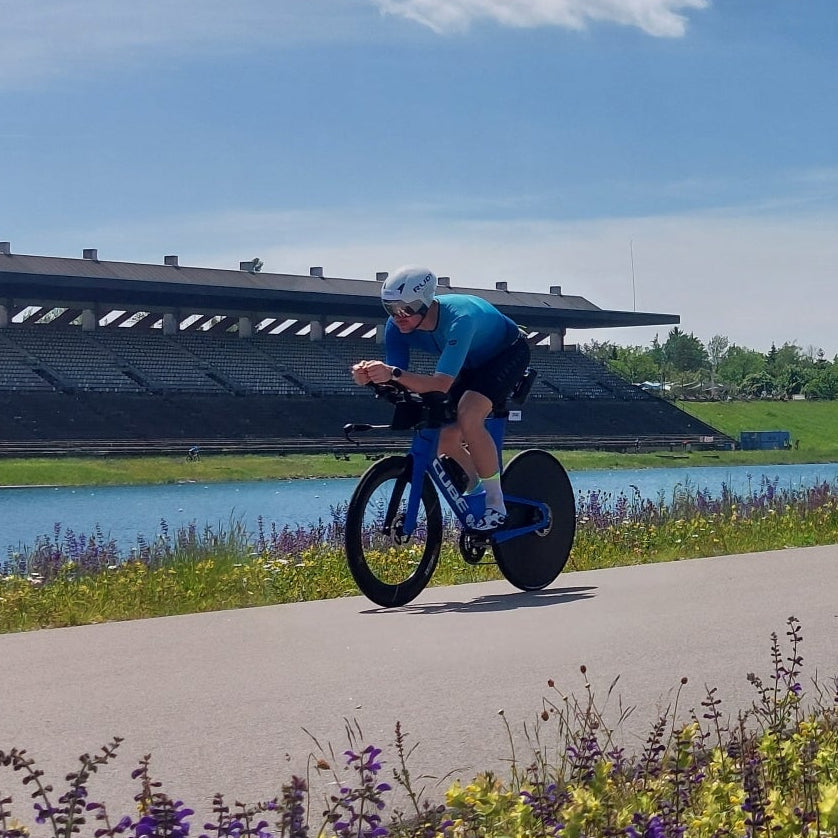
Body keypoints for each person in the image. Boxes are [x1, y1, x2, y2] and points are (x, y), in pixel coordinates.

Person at [351, 265, 530, 531]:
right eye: (390, 309)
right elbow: (396, 378)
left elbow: (439, 383)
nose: (398, 316)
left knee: (469, 415)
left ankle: (496, 504)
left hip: (506, 354)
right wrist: (369, 376)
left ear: (425, 302)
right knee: (445, 437)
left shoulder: (460, 320)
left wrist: (392, 373)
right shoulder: (395, 327)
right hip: (470, 361)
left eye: (406, 309)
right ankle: (476, 488)